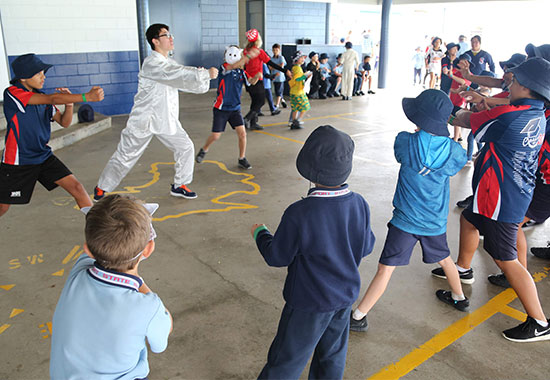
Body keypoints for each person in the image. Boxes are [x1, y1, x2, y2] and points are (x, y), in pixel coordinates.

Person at [433, 58, 550, 342]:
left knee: (506, 258)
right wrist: (483, 101)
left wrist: (437, 109)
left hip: (500, 198)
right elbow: (500, 113)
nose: (510, 81)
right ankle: (462, 269)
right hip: (509, 190)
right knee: (468, 219)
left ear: (525, 86)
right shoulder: (537, 113)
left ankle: (539, 322)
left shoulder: (509, 116)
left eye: (515, 79)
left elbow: (463, 120)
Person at [251, 125, 375, 379]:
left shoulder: (300, 212)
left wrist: (261, 234)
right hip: (344, 298)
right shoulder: (359, 203)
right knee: (331, 358)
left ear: (309, 166)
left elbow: (278, 256)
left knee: (286, 361)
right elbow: (366, 246)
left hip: (308, 303)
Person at [350, 90, 468, 332]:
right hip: (434, 221)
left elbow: (401, 154)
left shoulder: (405, 141)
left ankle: (358, 315)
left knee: (386, 268)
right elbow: (457, 163)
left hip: (405, 221)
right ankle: (459, 297)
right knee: (445, 259)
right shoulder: (455, 151)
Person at [50, 194, 173, 379]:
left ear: (87, 250)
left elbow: (96, 242)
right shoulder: (149, 306)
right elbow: (159, 344)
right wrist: (142, 286)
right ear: (148, 249)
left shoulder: (79, 271)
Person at [93, 24, 218, 202]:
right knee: (126, 155)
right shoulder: (151, 63)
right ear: (155, 41)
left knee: (185, 147)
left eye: (170, 34)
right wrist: (204, 73)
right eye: (166, 35)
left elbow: (185, 82)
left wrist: (203, 79)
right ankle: (101, 188)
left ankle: (179, 185)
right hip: (143, 120)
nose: (171, 38)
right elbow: (176, 74)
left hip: (165, 120)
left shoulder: (170, 63)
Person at [0, 53, 104, 218]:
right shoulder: (13, 94)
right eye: (38, 73)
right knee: (3, 207)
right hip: (19, 160)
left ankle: (98, 230)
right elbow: (53, 98)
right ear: (24, 78)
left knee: (77, 188)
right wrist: (86, 97)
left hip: (42, 155)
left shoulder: (42, 98)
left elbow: (64, 122)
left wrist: (69, 105)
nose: (43, 77)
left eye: (43, 72)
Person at [195, 45, 261, 171]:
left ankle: (242, 158)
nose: (233, 57)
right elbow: (232, 66)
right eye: (230, 54)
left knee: (242, 134)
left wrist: (257, 76)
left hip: (235, 109)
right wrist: (248, 56)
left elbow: (251, 81)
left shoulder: (241, 72)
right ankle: (204, 149)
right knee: (216, 136)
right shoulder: (224, 68)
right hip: (221, 108)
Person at [242, 29, 286, 131]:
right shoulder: (259, 51)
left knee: (255, 102)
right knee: (261, 101)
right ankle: (247, 118)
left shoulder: (245, 51)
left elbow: (244, 67)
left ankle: (253, 123)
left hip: (249, 81)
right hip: (257, 80)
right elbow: (271, 63)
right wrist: (284, 70)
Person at [287, 51, 312, 130]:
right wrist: (306, 76)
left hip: (293, 91)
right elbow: (297, 79)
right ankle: (297, 120)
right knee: (306, 106)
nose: (303, 59)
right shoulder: (297, 68)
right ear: (297, 60)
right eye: (301, 58)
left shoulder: (295, 68)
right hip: (298, 92)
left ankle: (293, 122)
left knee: (295, 108)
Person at [270, 43, 287, 109]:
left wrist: (274, 66)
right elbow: (270, 68)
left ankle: (277, 104)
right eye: (274, 50)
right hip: (274, 77)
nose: (275, 52)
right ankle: (282, 101)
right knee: (277, 91)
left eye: (277, 50)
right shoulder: (272, 59)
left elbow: (282, 65)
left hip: (280, 77)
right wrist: (277, 66)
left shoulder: (281, 57)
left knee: (279, 91)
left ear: (279, 50)